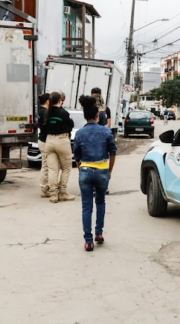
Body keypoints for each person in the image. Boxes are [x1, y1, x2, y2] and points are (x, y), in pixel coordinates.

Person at [74, 95, 117, 252]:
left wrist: (81, 169)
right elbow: (113, 152)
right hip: (101, 171)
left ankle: (88, 241)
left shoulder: (79, 134)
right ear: (97, 116)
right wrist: (109, 170)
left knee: (86, 207)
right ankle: (99, 233)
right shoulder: (106, 131)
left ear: (85, 117)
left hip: (85, 171)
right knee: (100, 202)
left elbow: (76, 156)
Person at [45, 91, 75, 203]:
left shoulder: (47, 113)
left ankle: (53, 195)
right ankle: (62, 193)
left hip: (49, 141)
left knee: (52, 169)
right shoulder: (64, 113)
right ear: (60, 100)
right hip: (62, 140)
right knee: (66, 168)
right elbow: (70, 125)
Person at [37, 93, 51, 198]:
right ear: (47, 101)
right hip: (45, 140)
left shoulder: (40, 111)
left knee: (45, 164)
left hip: (42, 139)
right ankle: (44, 188)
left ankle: (45, 187)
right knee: (46, 165)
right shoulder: (45, 111)